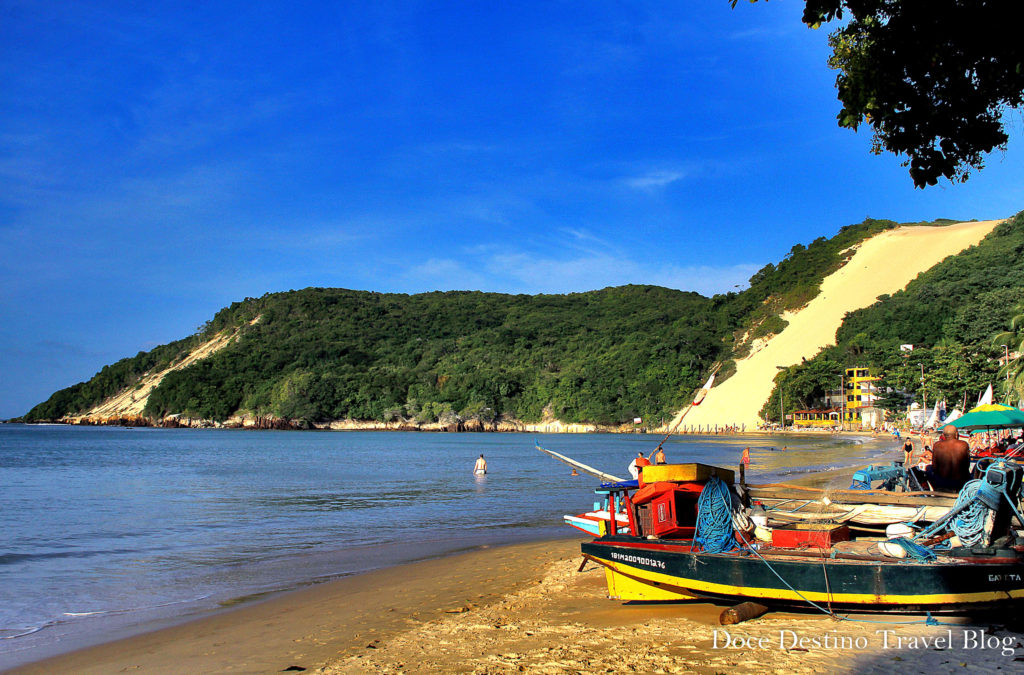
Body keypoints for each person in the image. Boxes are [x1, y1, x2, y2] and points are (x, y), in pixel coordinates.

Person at [927, 425, 970, 492]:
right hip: (959, 482)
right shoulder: (963, 444)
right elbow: (967, 465)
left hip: (942, 482)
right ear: (956, 434)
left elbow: (935, 467)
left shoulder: (937, 445)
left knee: (928, 467)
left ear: (943, 435)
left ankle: (936, 489)